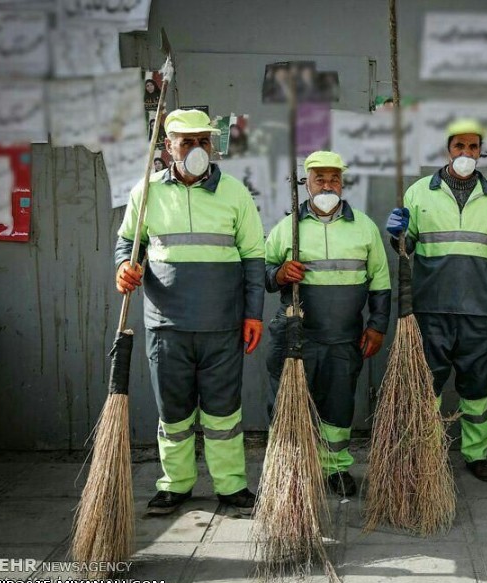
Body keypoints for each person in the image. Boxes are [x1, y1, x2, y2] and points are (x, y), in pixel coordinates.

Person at [114, 109, 265, 515]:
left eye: (204, 141)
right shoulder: (145, 192)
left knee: (223, 411)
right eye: (187, 142)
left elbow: (253, 257)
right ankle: (175, 485)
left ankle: (231, 486)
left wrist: (253, 315)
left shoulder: (235, 193)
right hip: (167, 326)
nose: (197, 149)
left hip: (222, 326)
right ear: (168, 146)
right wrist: (123, 269)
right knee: (174, 411)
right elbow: (128, 244)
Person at [385, 118, 487, 482]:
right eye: (459, 147)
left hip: (478, 312)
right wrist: (397, 235)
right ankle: (427, 451)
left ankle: (476, 454)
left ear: (481, 151)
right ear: (448, 149)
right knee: (428, 387)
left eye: (473, 147)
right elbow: (407, 248)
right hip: (431, 309)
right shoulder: (419, 192)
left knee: (475, 388)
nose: (466, 154)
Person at [264, 150, 391, 497]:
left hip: (343, 337)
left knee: (338, 406)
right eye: (320, 178)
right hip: (296, 337)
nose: (328, 184)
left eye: (335, 178)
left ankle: (335, 468)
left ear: (343, 183)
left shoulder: (363, 227)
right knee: (289, 404)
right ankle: (290, 467)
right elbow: (261, 275)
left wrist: (377, 325)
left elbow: (380, 281)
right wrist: (279, 273)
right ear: (307, 183)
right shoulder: (287, 228)